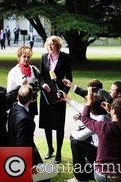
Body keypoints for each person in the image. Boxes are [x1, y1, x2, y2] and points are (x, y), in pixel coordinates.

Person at [62, 89, 110, 182]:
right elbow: (82, 109)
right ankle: (89, 169)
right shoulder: (104, 115)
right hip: (106, 152)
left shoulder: (100, 121)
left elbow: (79, 137)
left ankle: (80, 178)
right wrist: (67, 99)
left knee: (75, 141)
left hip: (102, 155)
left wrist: (72, 133)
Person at [39, 35, 73, 164]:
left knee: (59, 124)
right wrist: (43, 84)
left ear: (57, 45)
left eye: (52, 44)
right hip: (46, 94)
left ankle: (59, 152)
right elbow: (41, 75)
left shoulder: (65, 57)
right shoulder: (43, 57)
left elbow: (69, 77)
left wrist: (63, 92)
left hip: (59, 94)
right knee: (46, 123)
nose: (49, 46)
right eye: (48, 44)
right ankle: (50, 149)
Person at [7, 46, 40, 118]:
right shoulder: (14, 71)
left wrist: (35, 87)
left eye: (28, 57)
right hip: (19, 104)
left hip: (32, 103)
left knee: (31, 125)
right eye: (24, 56)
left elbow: (40, 82)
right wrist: (21, 86)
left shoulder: (33, 69)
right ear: (19, 57)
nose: (26, 59)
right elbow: (10, 91)